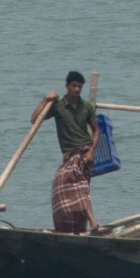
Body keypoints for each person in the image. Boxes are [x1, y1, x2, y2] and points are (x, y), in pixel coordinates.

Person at [40, 71, 98, 234]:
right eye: (74, 86)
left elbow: (96, 131)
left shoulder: (86, 107)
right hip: (68, 155)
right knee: (59, 188)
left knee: (78, 185)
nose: (77, 89)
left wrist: (92, 151)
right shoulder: (58, 106)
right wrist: (45, 99)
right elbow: (34, 119)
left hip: (84, 152)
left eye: (80, 87)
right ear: (67, 86)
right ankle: (75, 230)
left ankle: (93, 221)